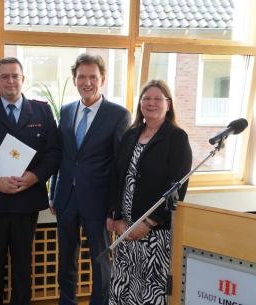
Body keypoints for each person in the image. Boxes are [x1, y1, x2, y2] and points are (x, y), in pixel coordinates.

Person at [0, 57, 61, 305]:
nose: (10, 81)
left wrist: (34, 177)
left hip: (25, 201)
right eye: (4, 76)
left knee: (22, 267)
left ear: (23, 79)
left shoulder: (41, 110)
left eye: (15, 76)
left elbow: (53, 153)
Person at [50, 54, 131, 305]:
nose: (87, 82)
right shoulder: (65, 111)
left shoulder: (118, 115)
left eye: (93, 77)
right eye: (82, 77)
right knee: (66, 259)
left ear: (102, 79)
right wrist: (53, 193)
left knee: (100, 262)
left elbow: (121, 166)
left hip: (99, 203)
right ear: (74, 79)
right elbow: (60, 155)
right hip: (66, 199)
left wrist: (114, 210)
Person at [107, 79, 192, 305]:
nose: (151, 103)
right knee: (123, 287)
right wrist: (114, 217)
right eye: (146, 99)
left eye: (157, 99)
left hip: (155, 233)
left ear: (168, 104)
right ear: (140, 104)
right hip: (125, 229)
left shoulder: (177, 138)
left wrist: (148, 223)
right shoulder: (130, 135)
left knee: (148, 292)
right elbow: (118, 178)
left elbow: (178, 188)